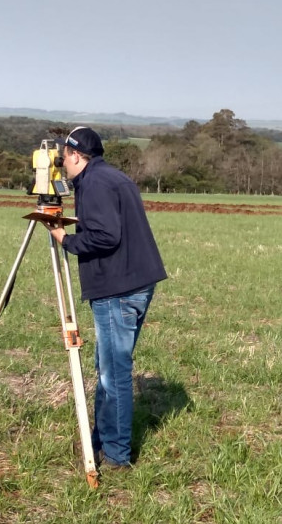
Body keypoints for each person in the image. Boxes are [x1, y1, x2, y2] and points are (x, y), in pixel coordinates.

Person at [46, 126, 167, 470]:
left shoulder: (96, 183)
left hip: (118, 288)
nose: (61, 164)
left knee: (113, 373)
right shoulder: (111, 177)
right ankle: (99, 438)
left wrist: (65, 239)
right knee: (108, 369)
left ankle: (115, 455)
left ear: (75, 156)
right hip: (135, 281)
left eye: (64, 157)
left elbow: (105, 235)